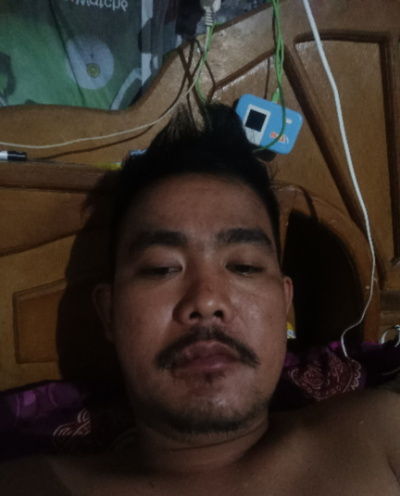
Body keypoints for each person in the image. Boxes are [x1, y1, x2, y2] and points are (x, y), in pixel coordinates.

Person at [1, 104, 400, 495]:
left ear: (284, 303)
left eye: (244, 266)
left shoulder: (381, 434)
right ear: (109, 314)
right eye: (161, 268)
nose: (207, 300)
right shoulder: (28, 485)